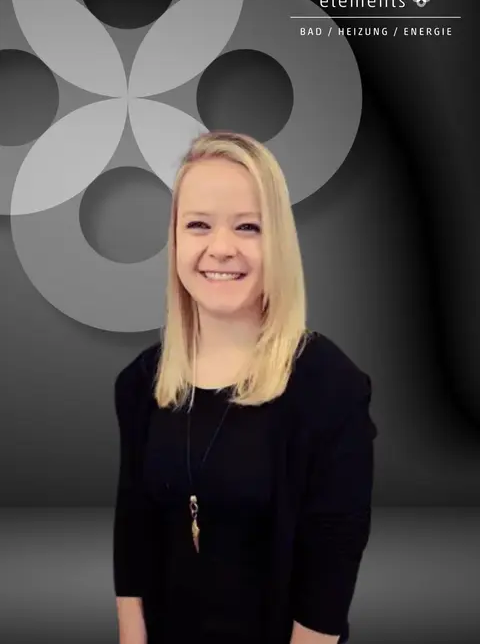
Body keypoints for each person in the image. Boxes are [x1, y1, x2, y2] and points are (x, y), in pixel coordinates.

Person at [113, 131, 378, 644]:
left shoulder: (329, 385)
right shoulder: (142, 382)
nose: (220, 248)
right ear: (175, 239)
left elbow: (331, 565)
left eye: (248, 226)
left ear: (278, 240)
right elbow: (133, 532)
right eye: (198, 225)